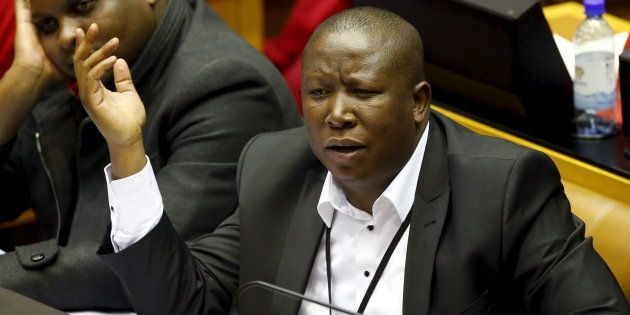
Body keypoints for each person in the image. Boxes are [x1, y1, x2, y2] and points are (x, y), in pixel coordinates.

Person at [92, 7, 628, 314]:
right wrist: (127, 148)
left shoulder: (505, 188)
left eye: (363, 92)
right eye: (319, 93)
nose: (337, 116)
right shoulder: (273, 168)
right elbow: (182, 302)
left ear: (418, 102)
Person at [0, 0, 300, 311]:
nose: (64, 35)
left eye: (82, 5)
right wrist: (23, 78)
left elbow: (141, 268)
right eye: (46, 25)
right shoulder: (72, 72)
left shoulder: (226, 84)